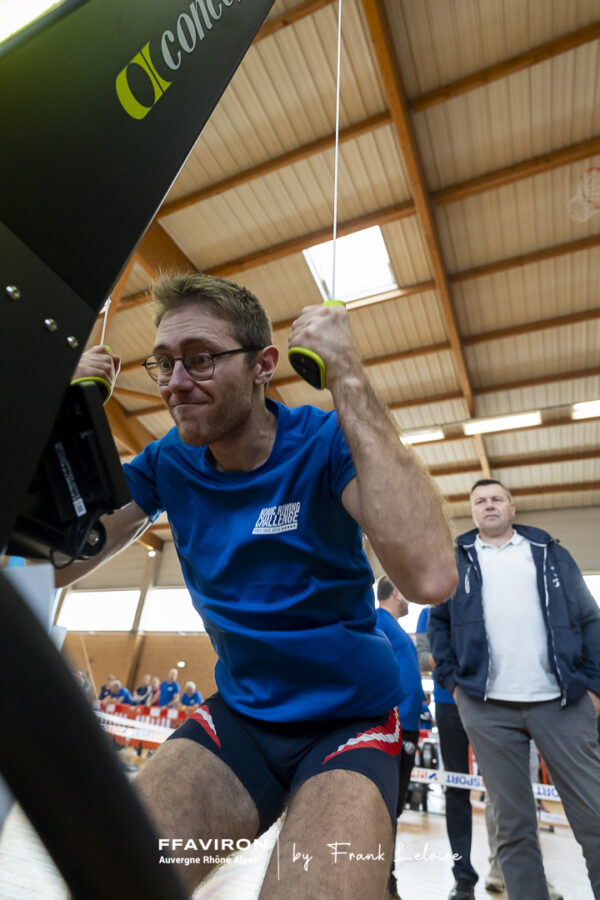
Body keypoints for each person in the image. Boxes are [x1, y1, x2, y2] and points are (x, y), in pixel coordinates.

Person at [59, 272, 457, 898]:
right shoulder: (168, 461)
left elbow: (431, 575)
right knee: (116, 875)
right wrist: (62, 414)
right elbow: (52, 561)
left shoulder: (324, 442)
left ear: (263, 366)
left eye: (200, 359)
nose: (176, 382)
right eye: (163, 363)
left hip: (349, 725)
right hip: (241, 720)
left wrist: (348, 374)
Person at [429, 478, 600, 900]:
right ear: (472, 511)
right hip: (487, 708)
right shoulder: (455, 560)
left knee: (595, 816)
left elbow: (590, 619)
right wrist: (456, 688)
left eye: (496, 499)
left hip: (561, 702)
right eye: (480, 501)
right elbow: (439, 627)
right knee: (513, 827)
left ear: (512, 507)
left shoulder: (550, 553)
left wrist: (594, 687)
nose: (488, 505)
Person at [416, 606, 479, 900]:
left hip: (487, 700)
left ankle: (509, 868)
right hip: (448, 702)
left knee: (505, 788)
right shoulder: (428, 612)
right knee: (456, 788)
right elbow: (422, 658)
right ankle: (463, 876)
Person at [375, 576, 424, 900]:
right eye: (404, 592)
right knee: (386, 808)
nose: (408, 598)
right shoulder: (379, 621)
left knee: (394, 809)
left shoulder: (395, 628)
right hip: (394, 727)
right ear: (395, 593)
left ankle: (384, 880)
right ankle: (383, 881)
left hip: (408, 726)